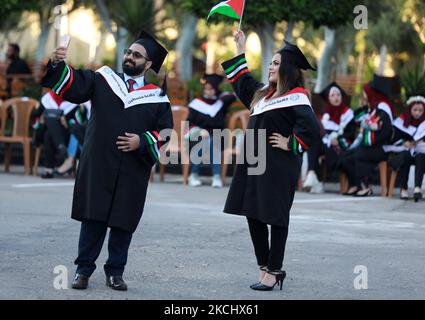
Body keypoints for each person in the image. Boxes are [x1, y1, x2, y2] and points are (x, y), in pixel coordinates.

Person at [41, 30, 173, 291]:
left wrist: (142, 141)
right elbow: (74, 86)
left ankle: (115, 272)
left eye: (136, 55)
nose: (129, 56)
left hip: (132, 166)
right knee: (94, 216)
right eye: (128, 52)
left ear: (147, 65)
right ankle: (83, 270)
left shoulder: (157, 97)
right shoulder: (104, 78)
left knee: (123, 220)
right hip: (100, 160)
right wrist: (58, 64)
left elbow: (165, 132)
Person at [221, 30, 320, 291]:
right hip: (254, 162)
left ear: (287, 68)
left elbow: (311, 128)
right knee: (252, 213)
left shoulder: (296, 97)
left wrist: (292, 143)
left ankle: (274, 270)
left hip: (278, 166)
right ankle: (264, 267)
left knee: (275, 217)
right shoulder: (263, 95)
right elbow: (243, 81)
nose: (271, 67)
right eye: (271, 62)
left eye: (276, 63)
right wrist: (239, 49)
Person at [340, 75, 396, 196]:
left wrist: (366, 135)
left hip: (380, 147)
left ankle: (363, 186)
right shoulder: (375, 108)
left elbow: (384, 133)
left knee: (359, 153)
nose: (365, 96)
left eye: (366, 93)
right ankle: (355, 184)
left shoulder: (383, 108)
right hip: (371, 146)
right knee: (346, 157)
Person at [303, 82, 356, 193]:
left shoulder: (348, 114)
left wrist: (338, 140)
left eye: (338, 95)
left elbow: (351, 134)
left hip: (340, 147)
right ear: (328, 98)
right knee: (313, 143)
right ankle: (312, 174)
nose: (336, 97)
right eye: (332, 95)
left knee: (314, 145)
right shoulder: (324, 115)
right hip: (325, 145)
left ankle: (313, 177)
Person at [186, 74, 236, 188]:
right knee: (203, 140)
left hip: (217, 135)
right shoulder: (196, 103)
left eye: (212, 89)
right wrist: (199, 130)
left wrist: (223, 89)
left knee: (215, 140)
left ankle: (216, 176)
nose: (208, 91)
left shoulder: (221, 102)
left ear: (216, 89)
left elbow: (233, 96)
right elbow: (189, 123)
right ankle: (193, 174)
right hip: (199, 135)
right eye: (207, 88)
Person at [386, 95, 425, 201]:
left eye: (420, 110)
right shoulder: (400, 122)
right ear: (410, 109)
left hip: (419, 153)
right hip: (401, 155)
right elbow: (393, 140)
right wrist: (404, 143)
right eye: (415, 110)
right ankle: (404, 188)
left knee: (421, 156)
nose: (417, 113)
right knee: (406, 156)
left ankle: (417, 188)